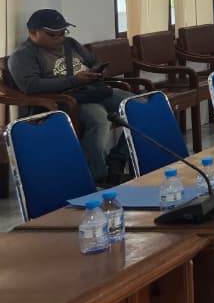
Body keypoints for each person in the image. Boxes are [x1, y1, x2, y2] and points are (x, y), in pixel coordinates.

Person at [7, 10, 131, 185]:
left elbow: (92, 60)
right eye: (52, 34)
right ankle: (99, 176)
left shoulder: (71, 44)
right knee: (99, 119)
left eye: (62, 32)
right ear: (33, 33)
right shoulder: (23, 55)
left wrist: (97, 70)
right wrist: (74, 80)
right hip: (64, 100)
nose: (59, 37)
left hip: (91, 90)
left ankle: (117, 158)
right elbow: (30, 86)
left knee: (137, 105)